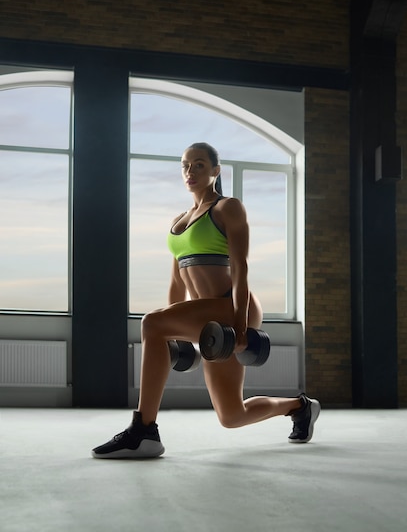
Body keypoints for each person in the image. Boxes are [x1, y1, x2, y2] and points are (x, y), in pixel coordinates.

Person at [92, 142, 320, 459]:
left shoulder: (228, 208)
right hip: (206, 319)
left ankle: (143, 430)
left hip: (232, 307)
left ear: (215, 171)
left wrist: (240, 328)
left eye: (199, 165)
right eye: (185, 165)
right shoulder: (179, 221)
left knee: (152, 323)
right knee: (232, 416)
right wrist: (173, 332)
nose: (190, 171)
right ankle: (300, 407)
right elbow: (177, 281)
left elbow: (241, 268)